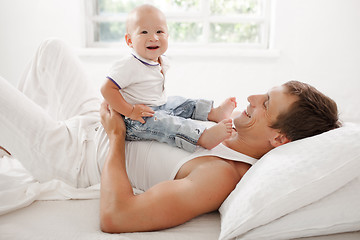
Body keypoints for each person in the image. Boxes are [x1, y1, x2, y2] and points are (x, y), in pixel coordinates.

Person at [0, 39, 340, 232]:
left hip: (75, 156)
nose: (252, 98)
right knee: (51, 50)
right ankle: (11, 147)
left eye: (265, 104)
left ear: (280, 139)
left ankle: (24, 146)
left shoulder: (220, 174)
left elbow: (117, 217)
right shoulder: (229, 131)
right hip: (98, 121)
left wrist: (116, 137)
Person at [101, 4, 236, 153]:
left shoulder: (160, 60)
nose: (154, 37)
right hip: (135, 121)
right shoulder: (128, 65)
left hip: (157, 106)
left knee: (179, 102)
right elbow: (107, 89)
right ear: (129, 40)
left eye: (159, 31)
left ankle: (213, 112)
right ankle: (202, 137)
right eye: (144, 32)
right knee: (168, 123)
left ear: (167, 36)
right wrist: (130, 110)